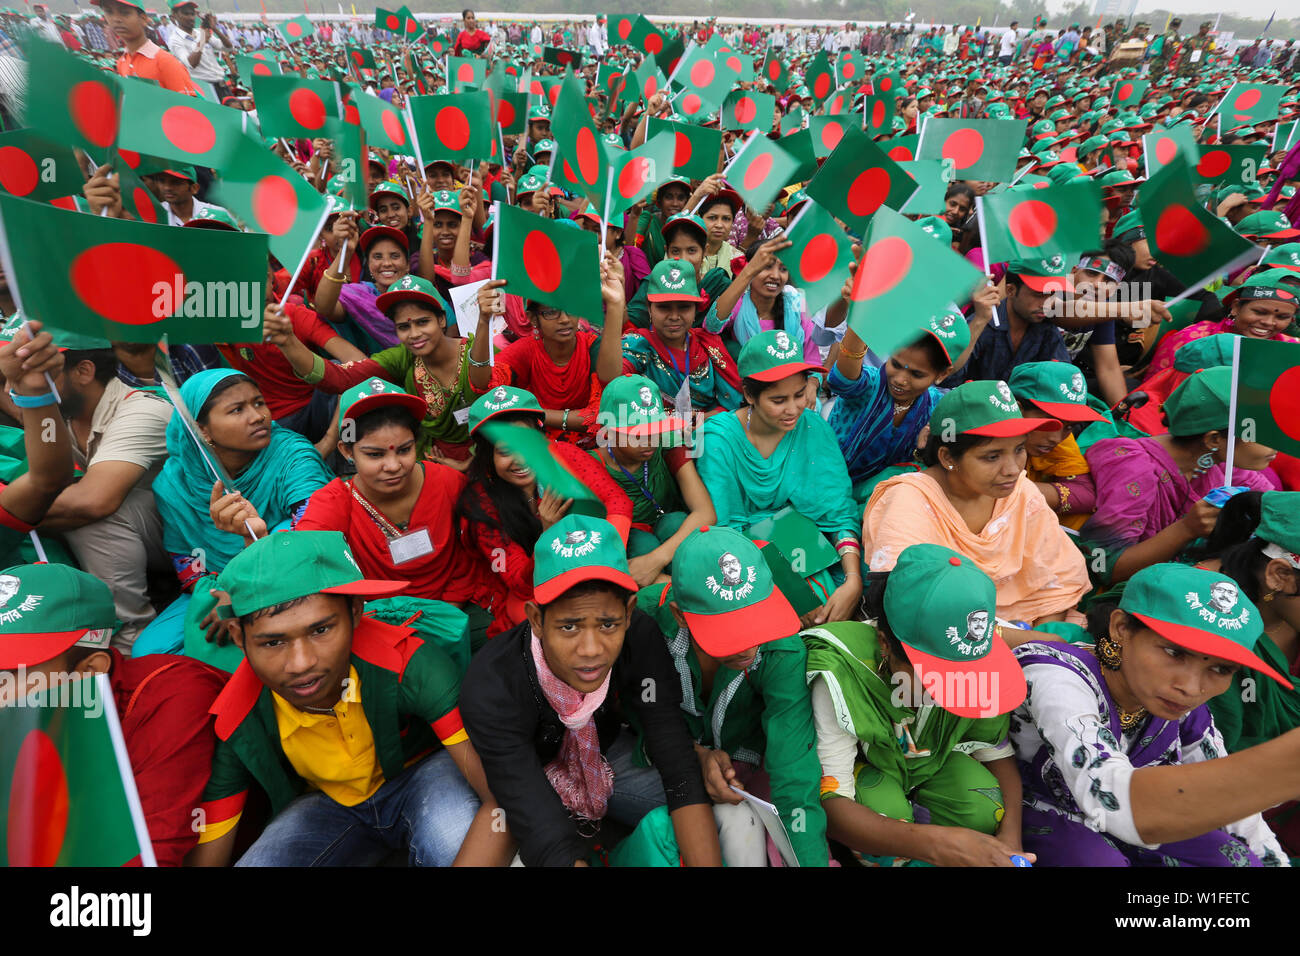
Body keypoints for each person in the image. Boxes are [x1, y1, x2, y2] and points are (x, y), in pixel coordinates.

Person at [190, 531, 512, 866]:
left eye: (321, 630)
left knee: (454, 840)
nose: (301, 663)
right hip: (327, 803)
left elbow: (501, 798)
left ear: (355, 612)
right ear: (238, 637)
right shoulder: (237, 715)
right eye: (273, 643)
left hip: (423, 774)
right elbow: (210, 847)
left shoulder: (410, 665)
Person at [459, 514, 722, 867]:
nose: (591, 649)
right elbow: (537, 820)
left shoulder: (639, 638)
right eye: (568, 626)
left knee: (717, 806)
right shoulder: (493, 685)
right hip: (511, 776)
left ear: (629, 614)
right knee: (473, 832)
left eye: (608, 624)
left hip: (600, 753)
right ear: (536, 619)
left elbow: (672, 753)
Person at [1010, 563, 1289, 866]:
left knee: (1238, 861)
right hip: (1040, 814)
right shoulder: (1058, 675)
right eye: (1174, 653)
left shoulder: (1184, 711)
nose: (1191, 687)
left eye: (1220, 669)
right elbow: (1106, 790)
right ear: (1121, 628)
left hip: (1139, 818)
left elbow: (1239, 813)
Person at [805, 544, 1030, 866]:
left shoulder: (976, 656)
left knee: (985, 807)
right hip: (869, 772)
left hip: (933, 765)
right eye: (935, 674)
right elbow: (833, 802)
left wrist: (1010, 839)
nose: (956, 685)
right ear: (884, 644)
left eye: (965, 672)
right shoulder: (845, 668)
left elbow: (998, 756)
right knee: (884, 818)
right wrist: (936, 844)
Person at [0, 562, 229, 866]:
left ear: (89, 670)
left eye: (8, 673)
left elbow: (152, 855)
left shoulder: (170, 695)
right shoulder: (25, 712)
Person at [635, 526, 827, 865]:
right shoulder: (647, 619)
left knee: (774, 831)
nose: (749, 644)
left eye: (754, 619)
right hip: (660, 764)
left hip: (746, 773)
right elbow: (636, 712)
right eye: (729, 629)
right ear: (681, 615)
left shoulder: (780, 648)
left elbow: (794, 768)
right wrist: (695, 755)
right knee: (662, 833)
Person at [135, 370, 333, 659]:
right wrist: (219, 591)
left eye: (259, 403)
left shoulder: (292, 453)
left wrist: (242, 588)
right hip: (218, 582)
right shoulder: (174, 483)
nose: (258, 416)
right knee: (150, 652)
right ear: (202, 429)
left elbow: (314, 528)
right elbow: (188, 563)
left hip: (294, 572)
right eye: (237, 410)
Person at [863, 380, 1090, 626]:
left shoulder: (1021, 493)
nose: (1013, 469)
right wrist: (1032, 640)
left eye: (1019, 449)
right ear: (948, 457)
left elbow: (1060, 584)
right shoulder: (909, 499)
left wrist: (1039, 647)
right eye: (992, 457)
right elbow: (917, 610)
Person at [696, 330, 862, 624]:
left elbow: (838, 512)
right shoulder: (719, 439)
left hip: (806, 544)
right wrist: (792, 590)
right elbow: (728, 531)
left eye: (800, 395)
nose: (793, 409)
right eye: (778, 400)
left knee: (843, 596)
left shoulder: (811, 427)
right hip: (744, 556)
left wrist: (853, 579)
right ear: (749, 395)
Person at [295, 377, 493, 611]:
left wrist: (447, 613)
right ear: (347, 451)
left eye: (404, 450)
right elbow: (301, 561)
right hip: (377, 619)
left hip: (463, 609)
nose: (393, 466)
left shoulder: (449, 483)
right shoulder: (334, 502)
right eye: (375, 455)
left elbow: (474, 553)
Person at [32, 333, 174, 652]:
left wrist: (10, 514)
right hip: (147, 541)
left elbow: (94, 502)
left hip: (200, 546)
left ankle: (130, 640)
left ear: (84, 371)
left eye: (38, 374)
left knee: (89, 513)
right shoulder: (58, 414)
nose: (21, 389)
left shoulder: (143, 411)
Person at [1081, 367, 1279, 586]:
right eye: (1260, 433)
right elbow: (1102, 568)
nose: (1276, 444)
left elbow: (1278, 511)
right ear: (1214, 440)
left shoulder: (1226, 465)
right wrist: (1186, 529)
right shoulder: (1134, 469)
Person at [266, 274, 488, 464]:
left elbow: (503, 408)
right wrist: (288, 342)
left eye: (422, 322)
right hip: (430, 460)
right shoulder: (402, 357)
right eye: (403, 327)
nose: (414, 334)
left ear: (441, 320)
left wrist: (472, 463)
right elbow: (339, 379)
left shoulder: (481, 351)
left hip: (486, 456)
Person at [469, 252, 627, 447]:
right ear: (533, 319)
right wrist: (484, 321)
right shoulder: (526, 350)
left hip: (591, 447)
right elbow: (483, 385)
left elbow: (603, 414)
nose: (564, 319)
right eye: (551, 312)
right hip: (538, 446)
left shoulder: (592, 346)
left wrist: (534, 413)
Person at [827, 300, 986, 490]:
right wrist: (861, 309)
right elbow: (843, 375)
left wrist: (924, 452)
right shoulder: (870, 383)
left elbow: (950, 460)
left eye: (916, 374)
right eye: (895, 364)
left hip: (885, 499)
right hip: (826, 485)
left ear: (942, 374)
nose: (901, 380)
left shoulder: (940, 410)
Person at [591, 375, 716, 584]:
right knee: (642, 544)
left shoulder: (667, 445)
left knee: (675, 523)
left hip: (668, 530)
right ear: (609, 431)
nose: (648, 441)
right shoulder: (592, 466)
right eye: (637, 434)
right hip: (630, 539)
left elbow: (705, 511)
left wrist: (656, 559)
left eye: (654, 431)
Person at [621, 260, 744, 414]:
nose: (674, 316)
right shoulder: (638, 344)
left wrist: (701, 420)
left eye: (684, 307)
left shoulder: (706, 345)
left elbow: (729, 404)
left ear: (695, 309)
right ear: (649, 308)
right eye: (664, 307)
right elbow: (611, 377)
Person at [1143, 273, 1299, 381]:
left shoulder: (1291, 349)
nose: (1268, 322)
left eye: (1282, 317)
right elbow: (1156, 391)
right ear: (1236, 307)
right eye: (1259, 312)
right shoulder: (1191, 340)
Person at [1008, 361, 1107, 530]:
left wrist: (1015, 491)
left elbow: (1087, 494)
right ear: (1017, 409)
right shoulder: (984, 436)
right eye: (1050, 422)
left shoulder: (1060, 439)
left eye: (1069, 426)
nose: (1056, 438)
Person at [962, 258, 1073, 383]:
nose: (1047, 304)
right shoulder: (981, 324)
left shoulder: (1047, 329)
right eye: (1038, 294)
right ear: (1010, 290)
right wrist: (979, 321)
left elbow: (1062, 381)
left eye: (1053, 295)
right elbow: (948, 379)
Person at [96, 0, 197, 94]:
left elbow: (188, 109)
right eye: (109, 12)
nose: (116, 19)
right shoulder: (122, 62)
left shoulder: (166, 62)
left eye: (124, 13)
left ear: (143, 19)